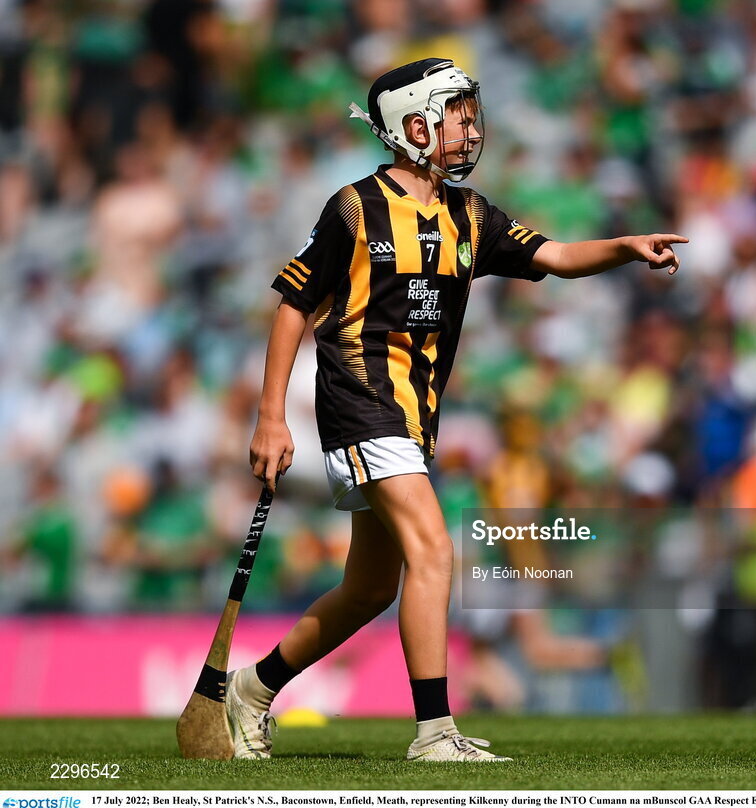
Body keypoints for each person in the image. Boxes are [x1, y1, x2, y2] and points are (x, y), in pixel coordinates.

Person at [227, 58, 687, 762]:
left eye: (472, 116)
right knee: (435, 551)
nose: (472, 130)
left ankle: (251, 689)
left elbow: (557, 255)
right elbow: (294, 304)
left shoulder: (470, 213)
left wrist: (624, 248)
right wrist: (270, 416)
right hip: (361, 402)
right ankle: (435, 732)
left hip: (412, 420)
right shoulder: (354, 207)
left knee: (369, 588)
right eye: (457, 117)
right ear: (414, 127)